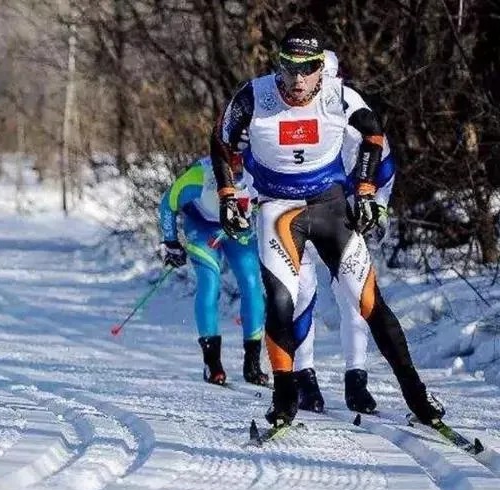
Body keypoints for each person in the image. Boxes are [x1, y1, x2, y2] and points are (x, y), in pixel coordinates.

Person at [209, 22, 444, 426]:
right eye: (289, 68)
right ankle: (285, 396)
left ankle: (417, 396)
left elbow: (373, 136)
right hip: (279, 210)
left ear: (321, 67)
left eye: (308, 68)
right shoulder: (255, 95)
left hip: (330, 207)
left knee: (370, 302)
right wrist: (229, 196)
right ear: (278, 64)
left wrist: (367, 190)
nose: (297, 80)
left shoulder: (340, 97)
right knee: (282, 300)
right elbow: (221, 139)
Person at [292, 50, 395, 414]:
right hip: (299, 208)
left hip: (344, 210)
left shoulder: (352, 109)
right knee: (301, 290)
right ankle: (304, 380)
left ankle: (357, 381)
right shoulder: (292, 111)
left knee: (353, 295)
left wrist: (377, 209)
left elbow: (385, 168)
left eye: (329, 83)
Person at [158, 155, 270, 387]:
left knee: (251, 284)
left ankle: (252, 363)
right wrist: (171, 242)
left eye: (244, 160)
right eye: (232, 161)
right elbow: (168, 202)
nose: (239, 167)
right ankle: (213, 363)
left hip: (238, 228)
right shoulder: (200, 176)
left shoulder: (260, 167)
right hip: (202, 227)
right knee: (210, 282)